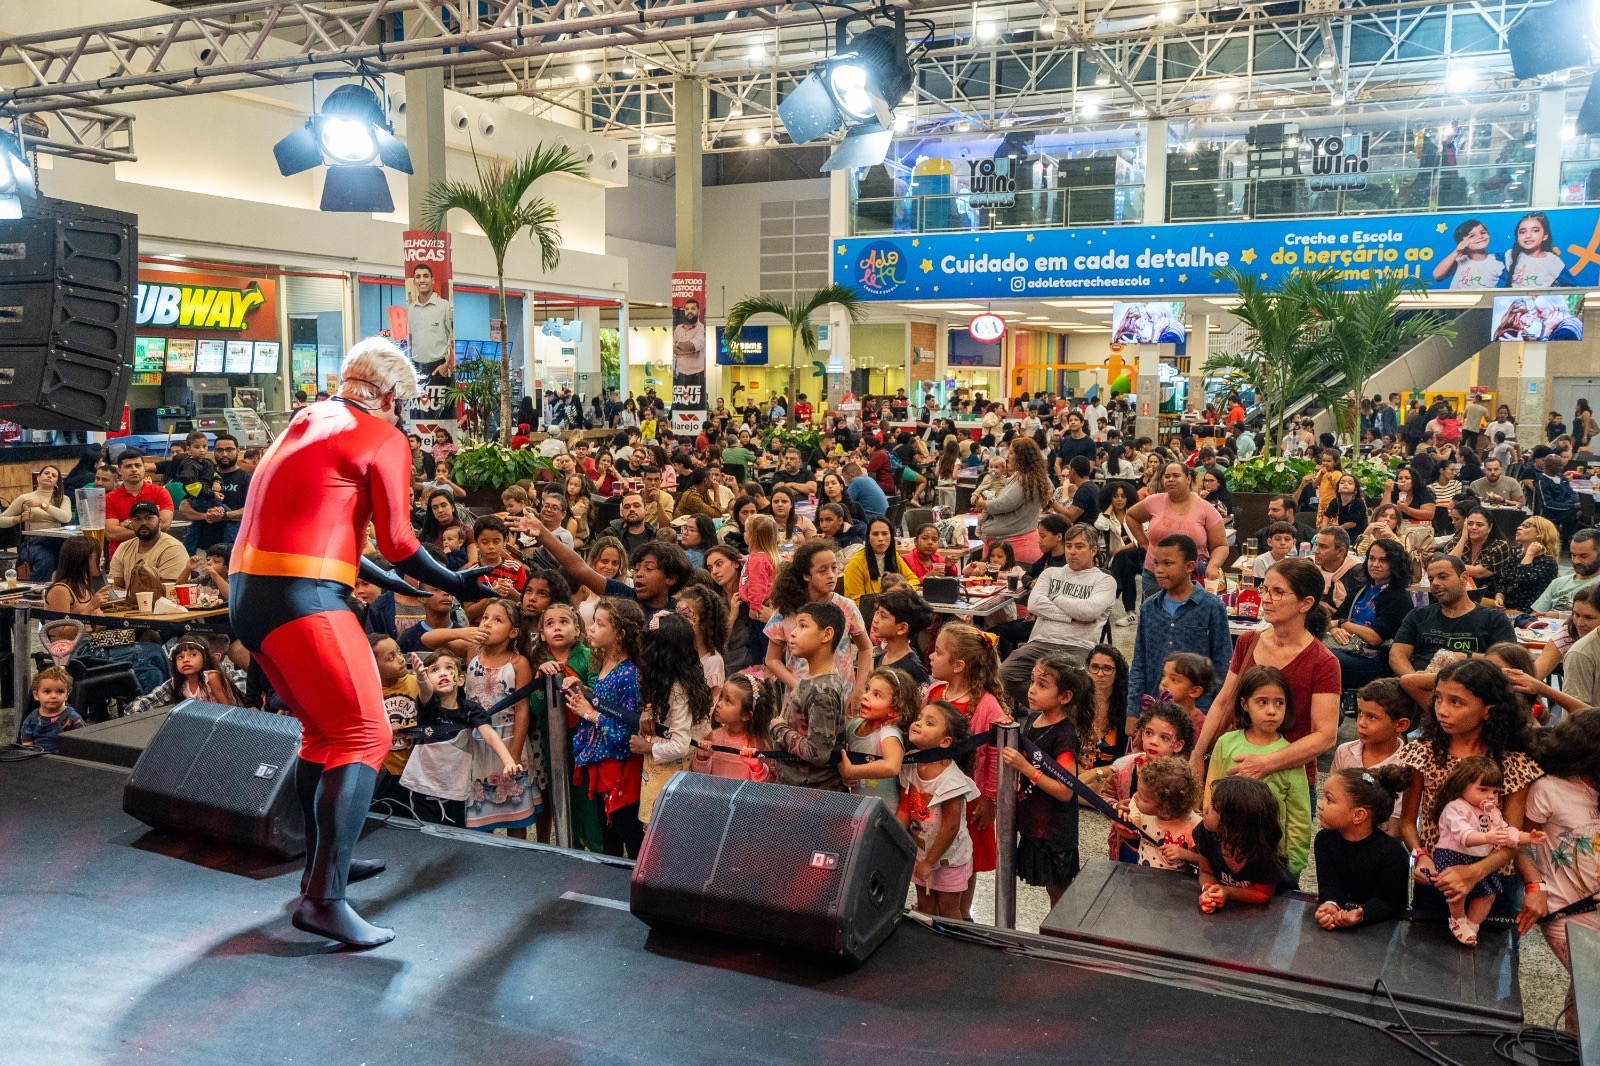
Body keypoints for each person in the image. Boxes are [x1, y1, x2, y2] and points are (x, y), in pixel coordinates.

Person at [228, 337, 495, 948]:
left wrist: (381, 574)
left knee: (323, 735)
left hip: (253, 593)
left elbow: (317, 524)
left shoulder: (307, 419)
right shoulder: (383, 436)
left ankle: (323, 865)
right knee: (365, 734)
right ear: (393, 396)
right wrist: (452, 579)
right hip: (303, 598)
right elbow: (399, 538)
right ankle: (324, 899)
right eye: (407, 403)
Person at [1396, 659, 1544, 928]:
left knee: (1486, 961)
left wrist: (1473, 873)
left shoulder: (1513, 763)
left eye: (1457, 702)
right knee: (1424, 956)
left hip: (1493, 882)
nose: (1442, 710)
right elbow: (1408, 821)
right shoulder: (1425, 754)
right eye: (1438, 699)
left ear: (1488, 711)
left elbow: (1511, 839)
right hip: (1439, 877)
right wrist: (1420, 856)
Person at [1523, 709, 1600, 1031]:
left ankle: (1575, 1048)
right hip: (1566, 909)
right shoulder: (1549, 789)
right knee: (1593, 985)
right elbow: (1518, 845)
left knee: (1588, 993)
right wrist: (1535, 887)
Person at [927, 622, 1010, 917]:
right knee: (934, 844)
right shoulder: (935, 692)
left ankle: (961, 912)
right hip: (933, 793)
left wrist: (989, 799)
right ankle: (932, 903)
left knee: (966, 855)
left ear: (959, 665)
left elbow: (997, 757)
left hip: (970, 800)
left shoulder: (988, 706)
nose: (931, 656)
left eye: (938, 652)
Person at [1000, 654, 1095, 905]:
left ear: (1064, 697)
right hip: (1034, 823)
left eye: (1042, 685)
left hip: (1055, 832)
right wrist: (1008, 732)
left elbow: (1065, 791)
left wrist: (1026, 768)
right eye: (1032, 681)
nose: (1031, 690)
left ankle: (1059, 938)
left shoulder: (1064, 736)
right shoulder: (1033, 718)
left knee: (1059, 893)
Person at [1202, 664, 1312, 877]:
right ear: (1244, 704)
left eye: (1279, 703)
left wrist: (1294, 864)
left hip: (1270, 857)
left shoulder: (1289, 754)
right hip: (1225, 850)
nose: (1272, 711)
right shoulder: (1226, 743)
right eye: (1262, 702)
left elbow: (1299, 814)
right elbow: (1210, 791)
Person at [1430, 756, 1547, 945]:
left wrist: (1526, 837)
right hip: (1453, 856)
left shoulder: (1492, 812)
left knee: (1489, 893)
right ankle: (1457, 920)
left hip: (1479, 859)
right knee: (1457, 892)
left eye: (1495, 791)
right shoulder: (1455, 808)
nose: (1490, 796)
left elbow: (1505, 831)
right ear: (1461, 786)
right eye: (1483, 790)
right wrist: (1487, 838)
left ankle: (1472, 925)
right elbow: (1464, 836)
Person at [562, 596, 646, 856]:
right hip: (603, 764)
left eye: (599, 624)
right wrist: (585, 691)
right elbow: (607, 703)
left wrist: (588, 714)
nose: (591, 629)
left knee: (628, 833)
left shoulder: (630, 672)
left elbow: (627, 729)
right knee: (608, 833)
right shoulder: (604, 662)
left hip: (620, 767)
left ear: (619, 634)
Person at [1000, 522, 1116, 705]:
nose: (1072, 551)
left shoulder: (1105, 581)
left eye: (1079, 546)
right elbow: (1035, 604)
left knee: (1078, 687)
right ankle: (1052, 707)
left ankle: (1056, 710)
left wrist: (1055, 597)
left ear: (1093, 551)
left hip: (1078, 646)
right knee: (1006, 675)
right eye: (1069, 546)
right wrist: (1072, 616)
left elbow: (1089, 611)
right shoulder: (1050, 573)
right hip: (1040, 642)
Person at [1127, 534, 1233, 727]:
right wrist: (1132, 710)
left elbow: (1223, 664)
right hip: (1154, 711)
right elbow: (1139, 662)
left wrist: (1215, 713)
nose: (1159, 570)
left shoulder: (1211, 607)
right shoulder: (1149, 606)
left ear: (1189, 566)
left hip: (1197, 712)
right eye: (1156, 563)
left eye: (1168, 563)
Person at [1389, 555, 1517, 708]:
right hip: (1421, 690)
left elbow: (1509, 663)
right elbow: (1397, 655)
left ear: (1464, 578)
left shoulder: (1494, 619)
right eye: (1431, 579)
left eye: (1443, 577)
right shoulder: (1418, 615)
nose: (1435, 583)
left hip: (1472, 689)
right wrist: (1413, 678)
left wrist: (1465, 656)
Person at [764, 540, 873, 706]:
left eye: (834, 568)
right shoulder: (787, 611)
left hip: (841, 698)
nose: (831, 575)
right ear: (806, 575)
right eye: (823, 570)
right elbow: (772, 660)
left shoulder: (846, 607)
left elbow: (866, 648)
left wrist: (858, 690)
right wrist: (798, 686)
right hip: (799, 703)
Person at [898, 701, 980, 919]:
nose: (918, 723)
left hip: (948, 858)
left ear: (945, 741)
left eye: (929, 722)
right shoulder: (910, 763)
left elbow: (951, 827)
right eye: (920, 718)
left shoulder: (951, 780)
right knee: (925, 907)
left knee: (948, 909)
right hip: (921, 852)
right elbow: (905, 809)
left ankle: (953, 953)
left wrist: (929, 862)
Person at [1312, 766, 1413, 930]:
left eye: (1329, 800)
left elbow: (1388, 902)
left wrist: (1361, 915)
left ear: (1358, 815)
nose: (1320, 805)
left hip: (1381, 932)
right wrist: (1331, 905)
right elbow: (1330, 885)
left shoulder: (1394, 854)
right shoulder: (1324, 840)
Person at [767, 601, 852, 791]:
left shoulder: (824, 690)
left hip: (814, 794)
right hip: (797, 788)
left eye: (803, 626)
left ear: (826, 634)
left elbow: (817, 752)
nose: (794, 633)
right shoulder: (813, 678)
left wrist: (779, 729)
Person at [1194, 777, 1298, 912]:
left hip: (1279, 905)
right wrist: (1210, 892)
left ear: (1235, 821)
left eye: (1214, 806)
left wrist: (1228, 892)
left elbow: (1264, 894)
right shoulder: (1206, 832)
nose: (1205, 809)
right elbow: (1206, 871)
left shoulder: (1262, 851)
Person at [1127, 461, 1229, 590]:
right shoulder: (1154, 501)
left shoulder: (1206, 509)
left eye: (1176, 476)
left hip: (1192, 578)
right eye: (1167, 476)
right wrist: (1144, 543)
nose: (1170, 479)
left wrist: (1213, 566)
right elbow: (1131, 516)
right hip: (1155, 576)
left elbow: (1221, 545)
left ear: (1188, 479)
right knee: (1153, 610)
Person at [835, 667, 918, 807]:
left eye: (876, 695)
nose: (865, 696)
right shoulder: (854, 725)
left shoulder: (888, 733)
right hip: (860, 806)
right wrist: (845, 775)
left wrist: (850, 771)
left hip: (883, 811)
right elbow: (842, 756)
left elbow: (892, 766)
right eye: (867, 689)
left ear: (894, 710)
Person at [977, 438, 1052, 564]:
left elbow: (1003, 504)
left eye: (1011, 453)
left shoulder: (1028, 479)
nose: (1007, 456)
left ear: (1022, 456)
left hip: (1016, 546)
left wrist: (983, 504)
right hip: (1003, 546)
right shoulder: (1023, 476)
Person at [1, 464, 71, 581]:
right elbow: (1, 520)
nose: (49, 476)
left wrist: (42, 505)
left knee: (77, 555)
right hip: (34, 541)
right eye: (46, 473)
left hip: (59, 539)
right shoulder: (25, 498)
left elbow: (66, 518)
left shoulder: (63, 499)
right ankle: (36, 591)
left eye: (54, 475)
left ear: (57, 482)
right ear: (38, 478)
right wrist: (19, 518)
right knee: (46, 559)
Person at [104, 449, 174, 559]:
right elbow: (111, 533)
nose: (134, 470)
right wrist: (150, 527)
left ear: (144, 468)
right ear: (119, 470)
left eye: (138, 465)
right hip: (121, 556)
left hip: (157, 554)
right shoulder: (110, 498)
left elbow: (165, 525)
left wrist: (126, 524)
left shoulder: (160, 492)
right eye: (128, 466)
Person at [107, 500, 191, 589]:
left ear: (159, 521)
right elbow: (116, 584)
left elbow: (169, 590)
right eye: (137, 519)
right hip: (127, 602)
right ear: (131, 524)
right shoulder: (124, 547)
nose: (143, 523)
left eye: (149, 518)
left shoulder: (173, 548)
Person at [843, 517, 920, 603]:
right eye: (875, 534)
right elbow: (856, 602)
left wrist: (901, 589)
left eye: (884, 534)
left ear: (891, 537)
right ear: (868, 538)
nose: (880, 539)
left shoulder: (894, 556)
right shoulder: (856, 563)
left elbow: (914, 581)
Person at [1447, 508, 1516, 602]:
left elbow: (1478, 572)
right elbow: (1448, 563)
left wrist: (1452, 566)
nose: (1473, 527)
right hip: (1458, 593)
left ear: (1490, 527)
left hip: (1487, 596)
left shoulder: (1500, 545)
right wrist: (1463, 539)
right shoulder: (1457, 542)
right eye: (1470, 524)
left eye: (1479, 524)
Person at [1496, 516, 1560, 613]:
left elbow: (1520, 581)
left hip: (1526, 612)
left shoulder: (1547, 562)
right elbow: (1503, 582)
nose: (1519, 528)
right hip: (1507, 607)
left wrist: (1530, 553)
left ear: (1540, 534)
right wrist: (1499, 596)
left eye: (1526, 526)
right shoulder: (1517, 556)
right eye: (1521, 525)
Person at [1531, 527, 1600, 613]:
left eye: (1584, 556)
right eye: (1573, 555)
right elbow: (1536, 616)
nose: (1576, 561)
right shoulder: (1558, 583)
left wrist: (1558, 616)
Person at [406, 263, 454, 387]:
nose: (422, 280)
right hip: (416, 371)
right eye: (418, 277)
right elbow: (410, 340)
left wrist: (447, 364)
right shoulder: (411, 309)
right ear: (415, 281)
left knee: (438, 407)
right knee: (417, 406)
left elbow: (454, 338)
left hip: (438, 369)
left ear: (432, 280)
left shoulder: (444, 306)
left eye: (426, 276)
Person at [20, 667, 84, 753]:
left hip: (65, 759)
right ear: (36, 695)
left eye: (60, 691)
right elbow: (27, 745)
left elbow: (82, 741)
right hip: (38, 759)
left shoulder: (73, 717)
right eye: (47, 692)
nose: (53, 696)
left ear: (67, 695)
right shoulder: (31, 719)